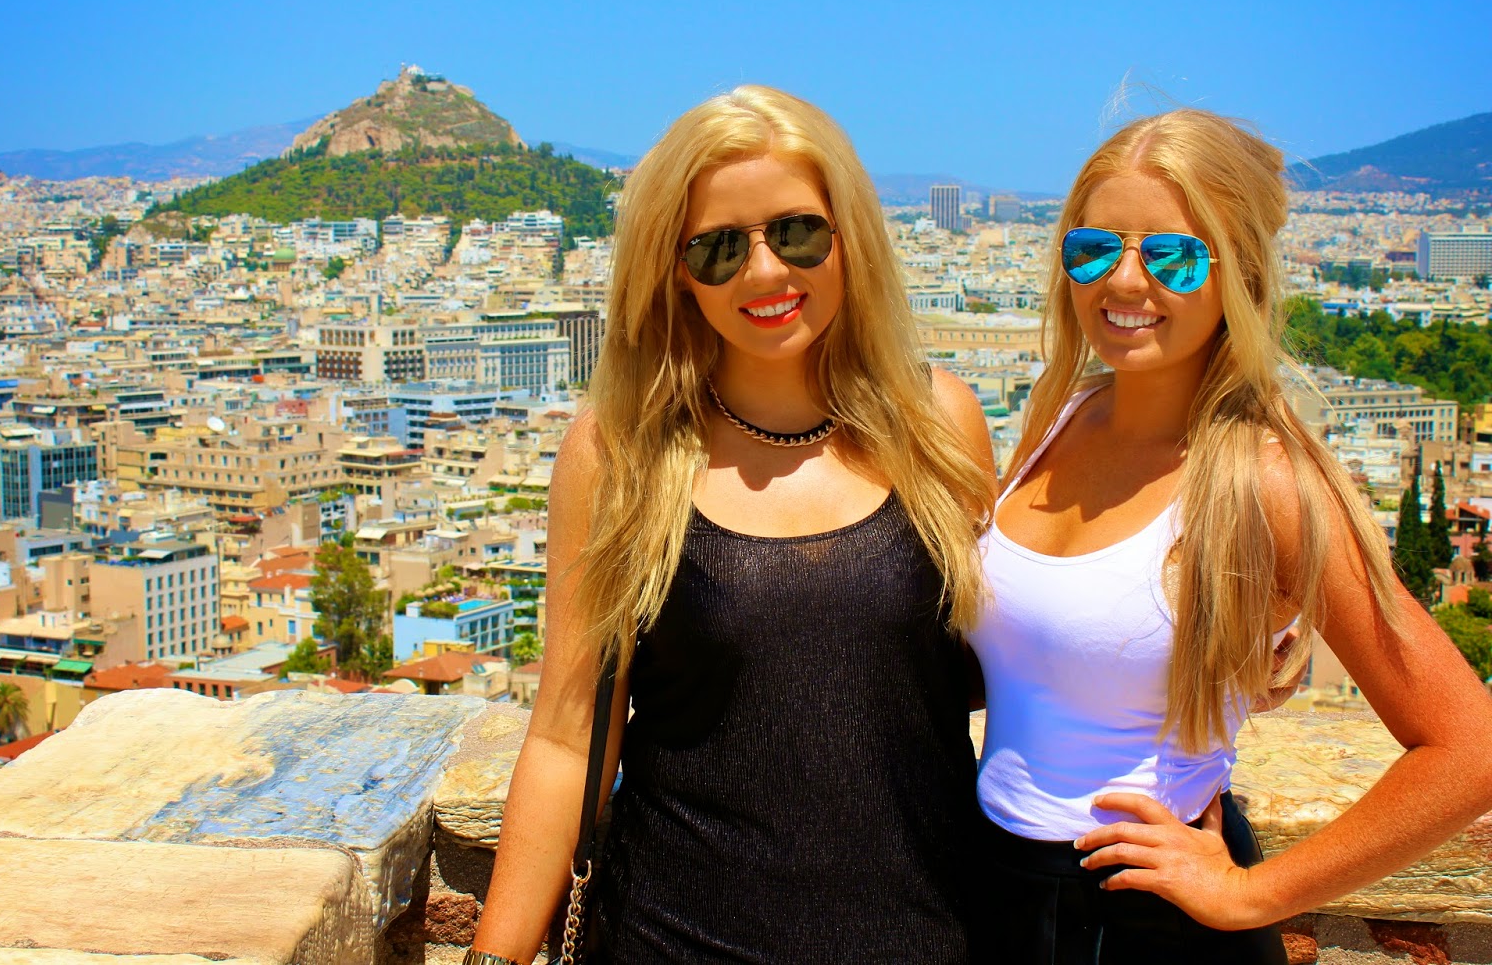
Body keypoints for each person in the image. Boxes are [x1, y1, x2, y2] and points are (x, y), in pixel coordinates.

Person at [465, 85, 998, 964]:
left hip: (925, 937)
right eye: (717, 249)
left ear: (850, 234)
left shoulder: (938, 424)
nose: (764, 273)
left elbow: (1006, 668)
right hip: (668, 940)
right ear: (675, 271)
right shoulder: (622, 451)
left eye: (797, 233)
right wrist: (494, 959)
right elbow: (566, 733)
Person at [968, 107, 1492, 963]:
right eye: (1093, 249)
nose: (1124, 282)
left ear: (1237, 273)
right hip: (999, 890)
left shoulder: (1261, 480)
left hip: (1146, 922)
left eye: (1172, 256)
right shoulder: (1058, 416)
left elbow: (1470, 749)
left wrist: (1252, 893)